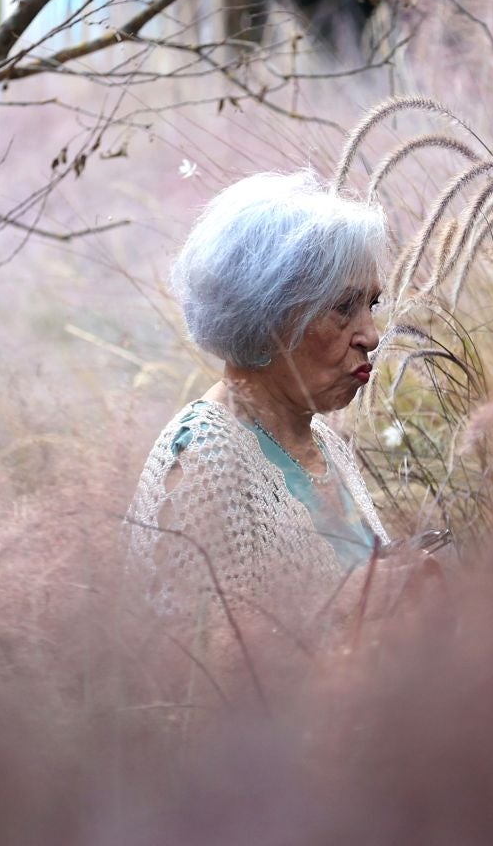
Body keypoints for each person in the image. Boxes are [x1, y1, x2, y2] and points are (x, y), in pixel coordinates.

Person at [125, 170, 397, 643]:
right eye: (343, 308)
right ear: (268, 315)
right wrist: (351, 608)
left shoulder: (320, 441)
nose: (371, 336)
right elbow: (186, 660)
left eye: (371, 305)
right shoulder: (204, 456)